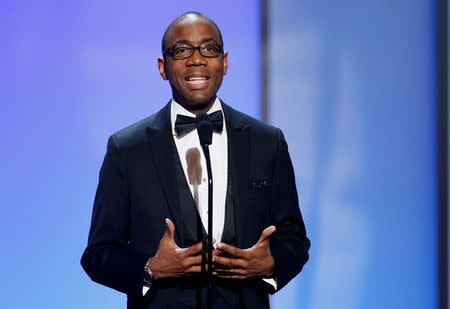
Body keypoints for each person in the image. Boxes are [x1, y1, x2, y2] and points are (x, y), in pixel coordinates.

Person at [81, 11, 310, 309]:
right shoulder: (127, 149)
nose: (197, 59)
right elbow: (98, 254)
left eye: (209, 48)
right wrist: (152, 268)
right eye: (181, 50)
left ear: (224, 62)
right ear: (163, 67)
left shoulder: (267, 141)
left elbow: (294, 239)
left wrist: (269, 264)